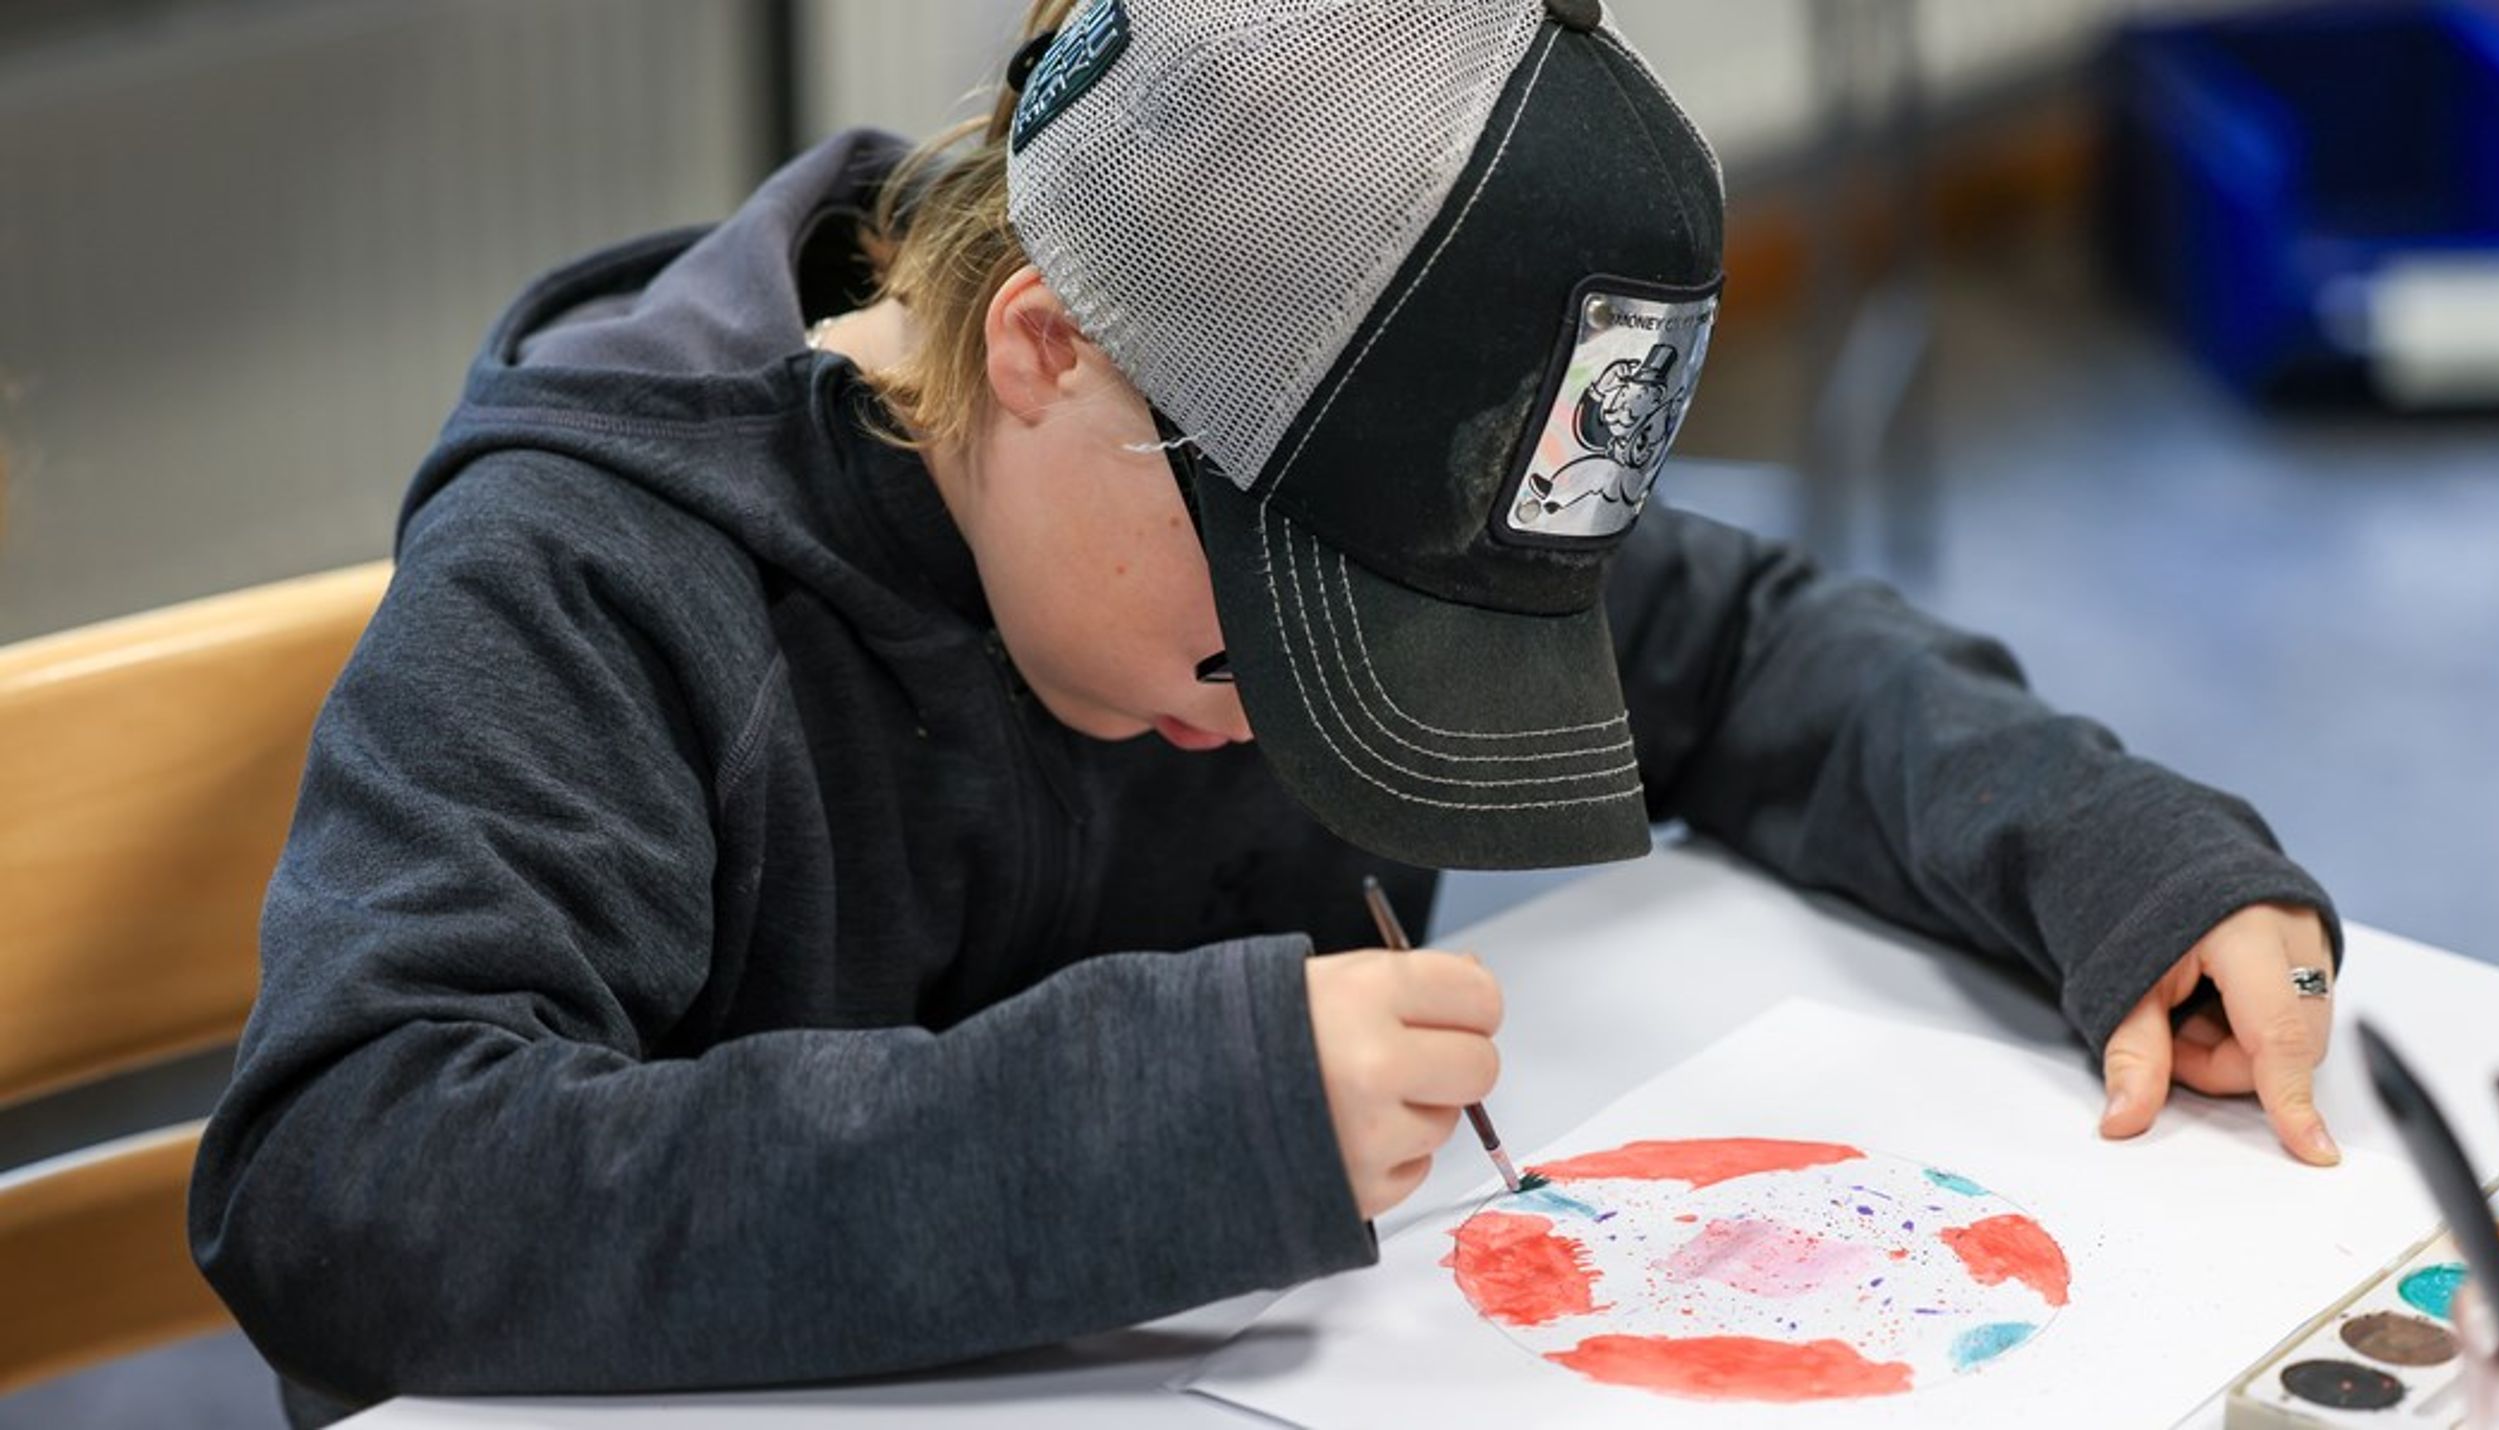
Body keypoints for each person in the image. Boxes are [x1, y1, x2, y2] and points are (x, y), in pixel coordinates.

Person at [189, 0, 2344, 1424]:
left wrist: (2108, 853)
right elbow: (345, 1186)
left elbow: (1746, 645)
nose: (1326, 718)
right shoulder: (596, 585)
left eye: (1431, 645)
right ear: (1042, 349)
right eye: (1296, 636)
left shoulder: (1235, 463)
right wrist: (1159, 1115)